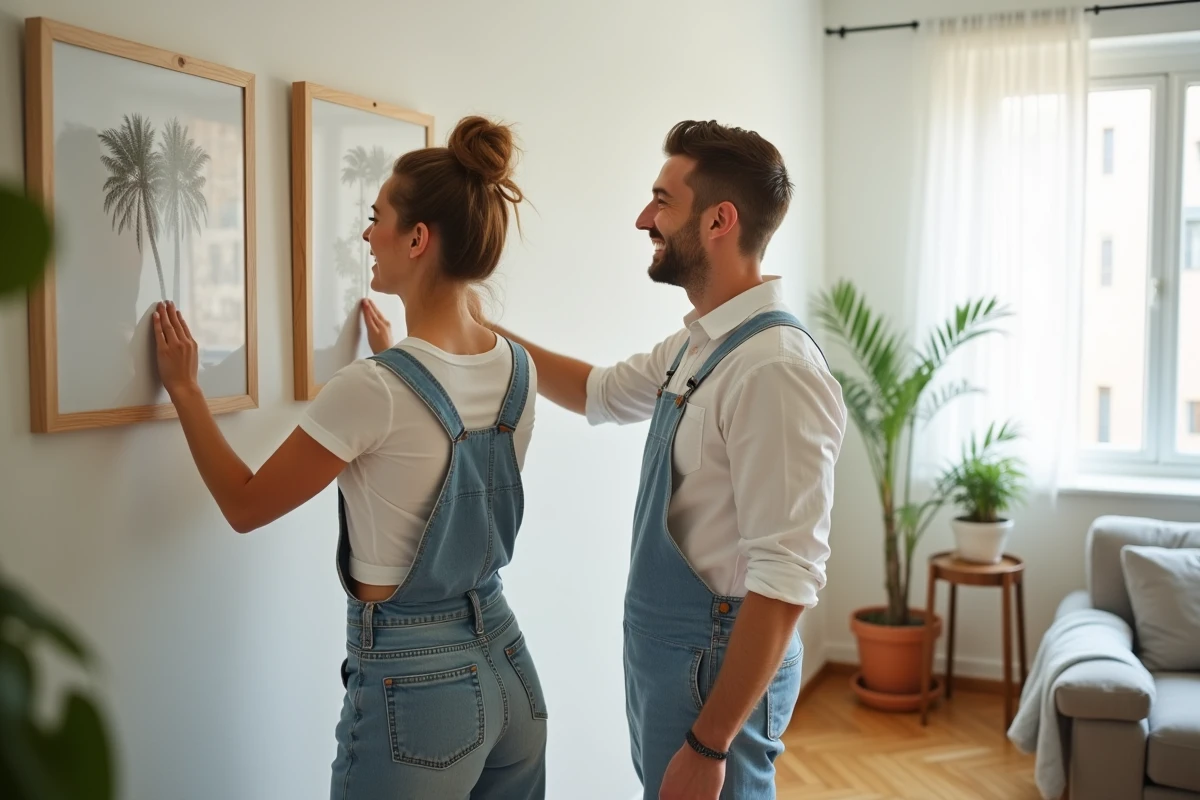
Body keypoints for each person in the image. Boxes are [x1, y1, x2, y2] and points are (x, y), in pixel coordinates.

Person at [151, 115, 548, 800]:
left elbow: (244, 505)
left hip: (421, 689)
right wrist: (397, 354)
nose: (367, 235)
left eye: (376, 217)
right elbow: (439, 441)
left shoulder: (374, 389)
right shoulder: (518, 368)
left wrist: (186, 390)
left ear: (417, 239)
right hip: (511, 670)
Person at [492, 120, 847, 799]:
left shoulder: (775, 370)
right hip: (671, 664)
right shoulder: (700, 345)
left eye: (662, 201)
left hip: (713, 676)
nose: (643, 219)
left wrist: (709, 744)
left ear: (718, 220)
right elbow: (596, 392)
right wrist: (475, 330)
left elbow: (786, 581)